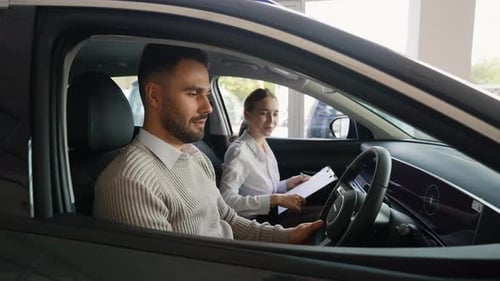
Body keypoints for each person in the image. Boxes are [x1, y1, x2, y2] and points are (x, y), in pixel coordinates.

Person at [93, 43, 323, 244]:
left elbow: (228, 219)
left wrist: (287, 236)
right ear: (154, 96)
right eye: (193, 94)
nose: (208, 107)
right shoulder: (130, 183)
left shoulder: (194, 156)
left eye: (207, 94)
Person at [220, 89, 320, 227]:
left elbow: (261, 190)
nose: (271, 120)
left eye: (275, 114)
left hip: (271, 213)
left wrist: (286, 184)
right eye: (263, 113)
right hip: (254, 223)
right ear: (247, 115)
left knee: (323, 213)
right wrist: (276, 199)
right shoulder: (239, 152)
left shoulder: (263, 144)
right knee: (322, 218)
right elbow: (227, 201)